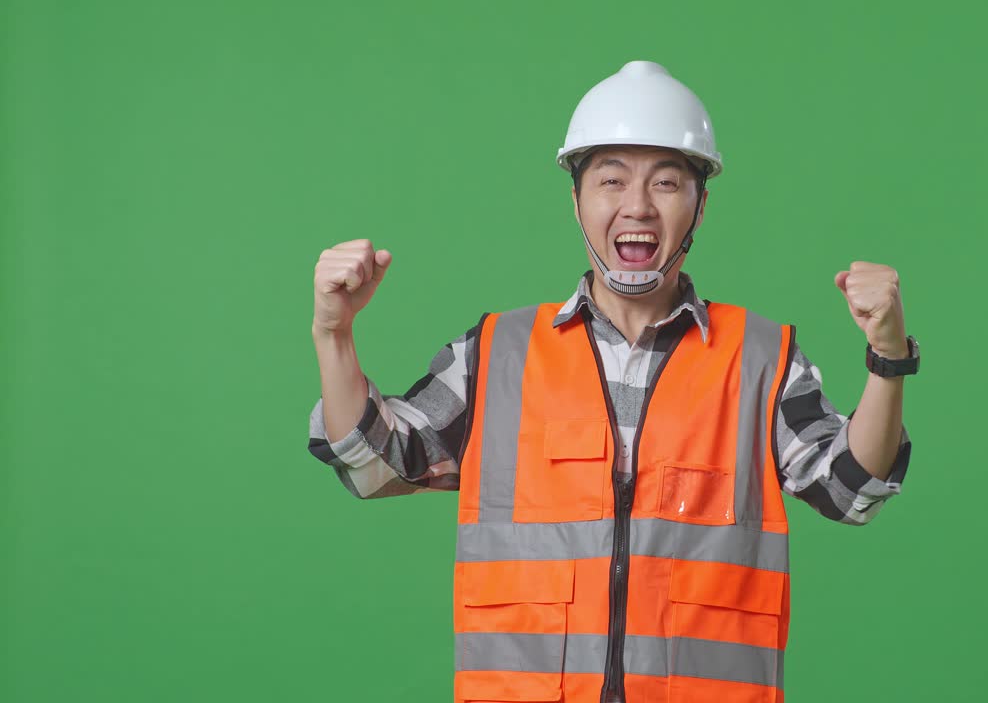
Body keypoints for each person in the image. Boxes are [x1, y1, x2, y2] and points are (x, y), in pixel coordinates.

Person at [307, 60, 920, 703]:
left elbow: (852, 489)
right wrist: (334, 335)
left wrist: (887, 359)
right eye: (611, 179)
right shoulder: (496, 357)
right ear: (577, 201)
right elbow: (373, 464)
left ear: (700, 206)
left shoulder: (760, 360)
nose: (638, 205)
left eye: (666, 182)